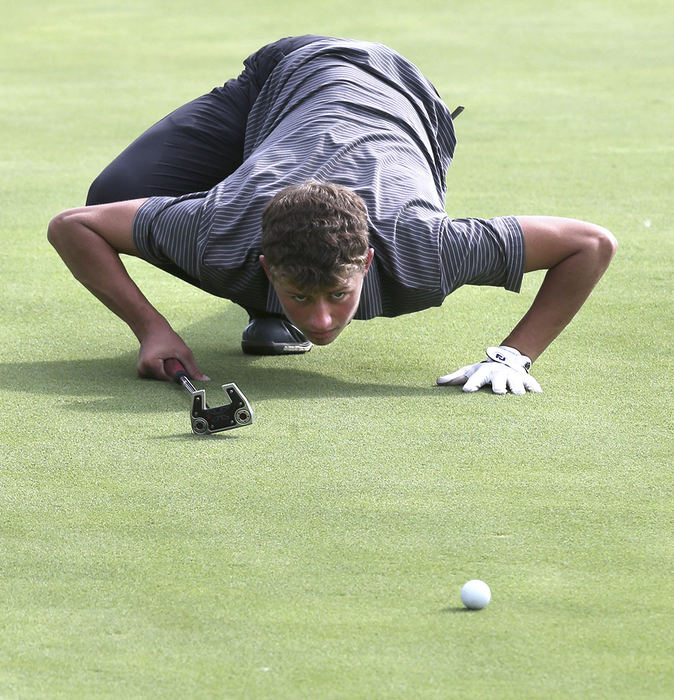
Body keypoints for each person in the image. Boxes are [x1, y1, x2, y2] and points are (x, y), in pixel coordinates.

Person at [48, 36, 617, 394]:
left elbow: (590, 243)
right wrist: (152, 330)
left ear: (367, 261)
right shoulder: (215, 228)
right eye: (299, 297)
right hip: (290, 74)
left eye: (336, 295)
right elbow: (75, 224)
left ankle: (275, 299)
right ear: (267, 266)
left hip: (404, 96)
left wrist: (514, 355)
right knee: (113, 195)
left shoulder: (429, 248)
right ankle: (265, 303)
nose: (322, 322)